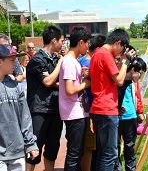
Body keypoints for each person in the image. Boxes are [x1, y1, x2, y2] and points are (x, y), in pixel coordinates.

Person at [89, 29, 136, 171]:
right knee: (110, 154)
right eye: (122, 49)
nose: (121, 53)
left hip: (98, 108)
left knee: (103, 153)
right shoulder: (105, 55)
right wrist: (126, 61)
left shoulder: (97, 53)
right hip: (106, 109)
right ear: (118, 43)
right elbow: (120, 80)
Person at [26, 25, 64, 171]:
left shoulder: (54, 59)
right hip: (39, 111)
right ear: (53, 41)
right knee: (34, 150)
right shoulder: (37, 59)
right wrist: (59, 65)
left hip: (55, 110)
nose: (63, 44)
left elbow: (56, 82)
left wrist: (54, 79)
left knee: (52, 150)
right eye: (61, 40)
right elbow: (47, 82)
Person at [0, 44, 39, 170]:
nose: (15, 63)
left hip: (17, 151)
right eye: (12, 60)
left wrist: (30, 144)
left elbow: (25, 116)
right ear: (0, 61)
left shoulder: (15, 85)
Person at [59, 26, 91, 171]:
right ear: (81, 43)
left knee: (77, 153)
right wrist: (86, 84)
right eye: (87, 43)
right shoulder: (70, 62)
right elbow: (70, 89)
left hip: (77, 112)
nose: (88, 46)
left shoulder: (74, 61)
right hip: (74, 114)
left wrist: (82, 76)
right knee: (74, 153)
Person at [78, 35, 106, 171]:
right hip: (94, 106)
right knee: (92, 144)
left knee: (88, 144)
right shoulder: (92, 60)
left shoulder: (81, 60)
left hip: (87, 106)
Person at [114, 57, 147, 171]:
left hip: (131, 117)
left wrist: (139, 112)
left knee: (130, 147)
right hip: (117, 118)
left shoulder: (133, 83)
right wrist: (116, 107)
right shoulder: (119, 79)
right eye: (140, 73)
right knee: (115, 148)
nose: (140, 77)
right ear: (133, 70)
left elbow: (137, 96)